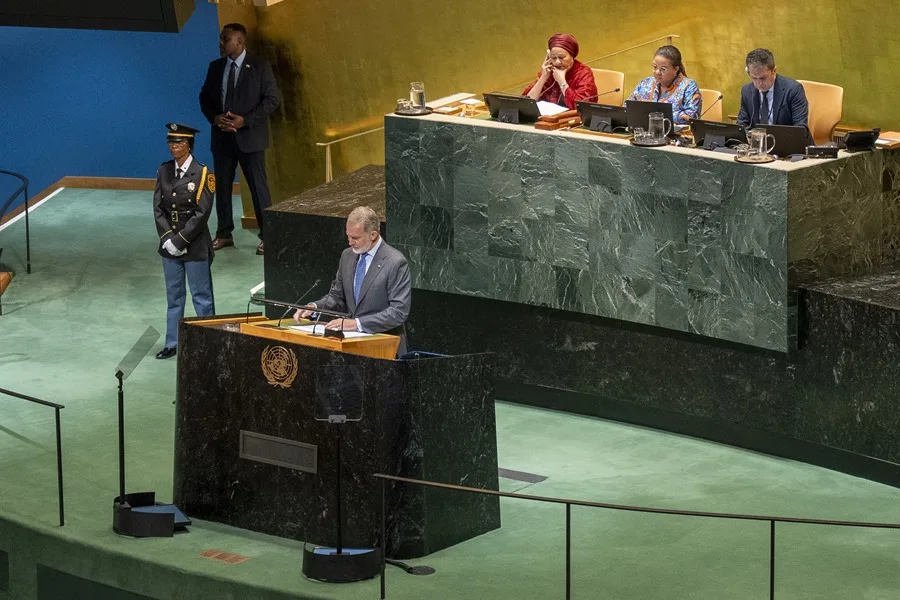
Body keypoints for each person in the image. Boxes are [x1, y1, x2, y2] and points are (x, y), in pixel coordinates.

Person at [199, 22, 280, 256]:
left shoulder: (259, 66)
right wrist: (215, 118)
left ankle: (268, 237)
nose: (221, 43)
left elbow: (272, 100)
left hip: (250, 139)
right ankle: (224, 234)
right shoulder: (215, 67)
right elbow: (204, 97)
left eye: (226, 39)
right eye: (221, 38)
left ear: (240, 42)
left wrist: (244, 120)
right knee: (222, 188)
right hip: (222, 139)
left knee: (258, 188)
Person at [293, 206, 412, 356]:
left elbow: (398, 312)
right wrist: (315, 307)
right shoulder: (347, 256)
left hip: (384, 347)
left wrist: (357, 324)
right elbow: (337, 297)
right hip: (350, 348)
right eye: (348, 236)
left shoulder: (395, 262)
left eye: (355, 238)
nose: (350, 242)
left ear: (373, 235)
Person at [153, 123, 216, 359]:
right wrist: (167, 238)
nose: (173, 147)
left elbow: (202, 213)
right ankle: (172, 342)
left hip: (195, 244)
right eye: (170, 142)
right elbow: (158, 208)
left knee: (201, 296)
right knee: (174, 297)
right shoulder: (164, 171)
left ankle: (206, 342)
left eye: (178, 143)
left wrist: (180, 240)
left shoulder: (203, 174)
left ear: (188, 145)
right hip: (170, 243)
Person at [736, 48, 810, 132]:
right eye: (754, 78)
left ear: (774, 71)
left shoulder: (793, 90)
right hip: (757, 143)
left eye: (763, 78)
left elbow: (800, 129)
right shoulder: (746, 91)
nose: (759, 83)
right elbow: (741, 125)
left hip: (787, 142)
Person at [628, 45, 701, 123]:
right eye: (655, 67)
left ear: (675, 69)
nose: (657, 72)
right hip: (643, 132)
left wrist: (655, 115)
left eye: (663, 69)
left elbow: (691, 117)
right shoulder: (645, 83)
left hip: (675, 133)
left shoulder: (689, 86)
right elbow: (628, 108)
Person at [523, 33, 597, 110]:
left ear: (572, 57)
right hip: (548, 118)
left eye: (561, 57)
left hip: (572, 119)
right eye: (553, 58)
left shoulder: (583, 73)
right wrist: (543, 78)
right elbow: (526, 103)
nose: (557, 62)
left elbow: (583, 107)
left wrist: (562, 81)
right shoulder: (548, 71)